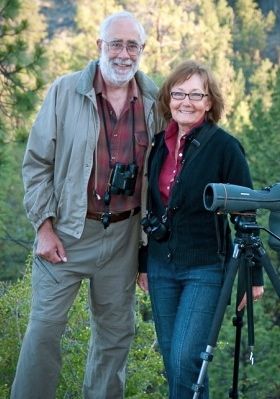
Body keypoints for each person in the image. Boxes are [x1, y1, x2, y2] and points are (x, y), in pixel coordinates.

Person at [11, 11, 163, 399]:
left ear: (142, 50)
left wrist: (148, 250)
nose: (124, 54)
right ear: (99, 46)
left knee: (115, 339)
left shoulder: (154, 102)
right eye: (116, 43)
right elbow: (36, 163)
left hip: (125, 236)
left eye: (132, 46)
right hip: (67, 231)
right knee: (44, 330)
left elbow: (164, 177)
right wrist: (43, 227)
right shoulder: (64, 92)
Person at [137, 60, 264, 398]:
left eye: (196, 94)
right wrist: (143, 263)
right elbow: (151, 208)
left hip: (205, 267)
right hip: (161, 266)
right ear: (168, 98)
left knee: (185, 359)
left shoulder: (225, 147)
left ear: (209, 101)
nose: (186, 101)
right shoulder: (157, 145)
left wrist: (252, 278)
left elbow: (246, 212)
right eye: (178, 93)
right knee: (177, 364)